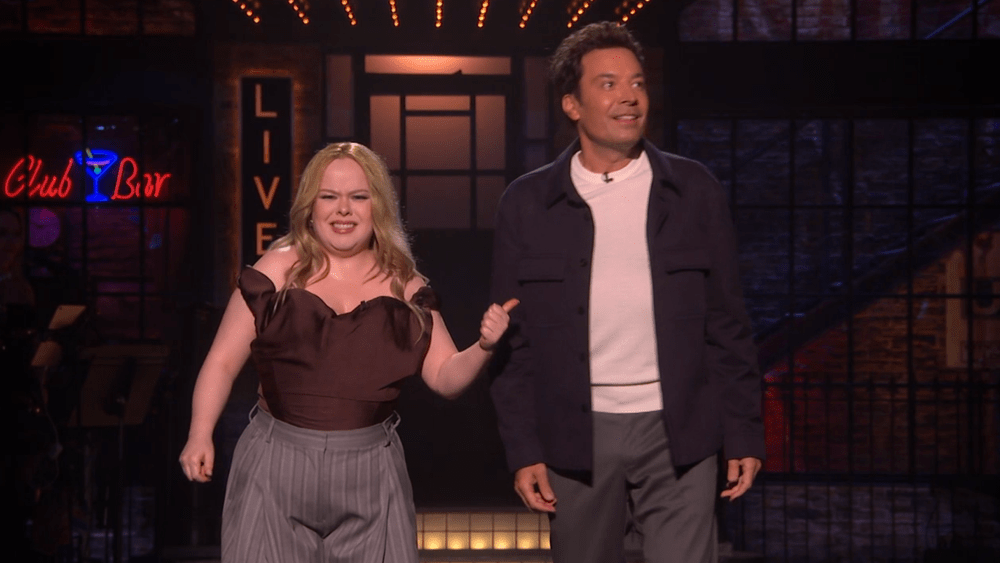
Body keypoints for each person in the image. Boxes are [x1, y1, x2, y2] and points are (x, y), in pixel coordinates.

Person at [489, 22, 764, 563]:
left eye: (637, 83)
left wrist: (744, 433)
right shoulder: (527, 203)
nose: (630, 97)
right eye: (609, 84)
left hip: (680, 428)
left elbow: (728, 325)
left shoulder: (693, 190)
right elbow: (512, 345)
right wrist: (523, 448)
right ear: (572, 104)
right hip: (575, 432)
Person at [179, 142, 516, 563]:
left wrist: (484, 347)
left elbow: (446, 378)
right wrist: (199, 433)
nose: (343, 210)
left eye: (358, 197)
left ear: (379, 207)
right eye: (329, 196)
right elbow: (222, 362)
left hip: (371, 471)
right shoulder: (275, 270)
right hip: (274, 464)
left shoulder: (406, 285)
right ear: (310, 206)